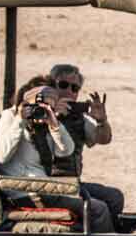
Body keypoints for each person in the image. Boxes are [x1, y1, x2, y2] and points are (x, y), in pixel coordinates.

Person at [0, 75, 115, 233]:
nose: (42, 107)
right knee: (99, 210)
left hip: (45, 187)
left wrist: (54, 123)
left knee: (111, 200)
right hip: (26, 191)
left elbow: (65, 150)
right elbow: (2, 155)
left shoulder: (43, 123)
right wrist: (20, 119)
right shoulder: (9, 117)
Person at [49, 63, 125, 221]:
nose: (69, 91)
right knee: (100, 208)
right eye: (63, 85)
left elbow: (103, 139)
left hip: (72, 183)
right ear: (51, 86)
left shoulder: (78, 119)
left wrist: (102, 121)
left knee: (115, 198)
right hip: (49, 183)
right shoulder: (41, 114)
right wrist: (53, 116)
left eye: (74, 88)